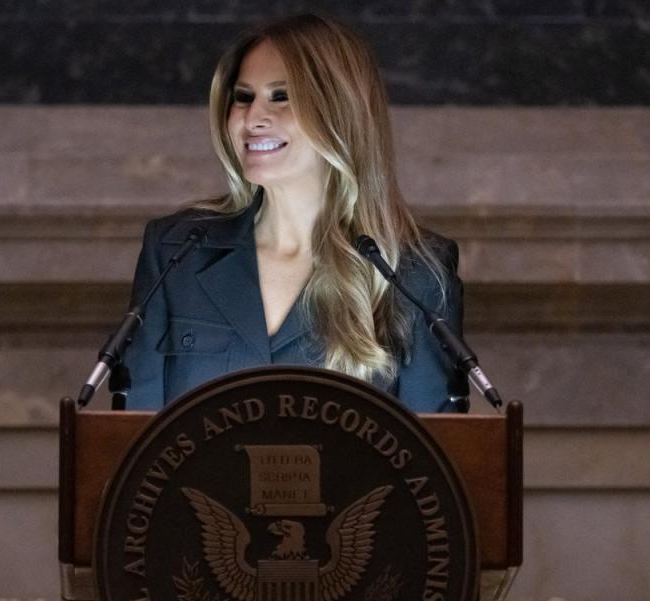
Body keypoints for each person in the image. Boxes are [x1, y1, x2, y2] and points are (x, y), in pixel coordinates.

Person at [121, 14, 469, 413]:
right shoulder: (176, 251)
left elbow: (434, 460)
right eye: (244, 97)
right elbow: (133, 440)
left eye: (281, 96)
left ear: (340, 111)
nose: (253, 119)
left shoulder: (416, 273)